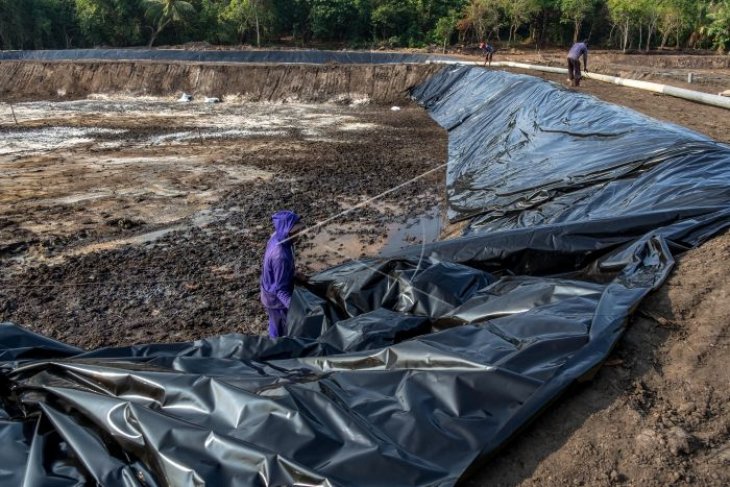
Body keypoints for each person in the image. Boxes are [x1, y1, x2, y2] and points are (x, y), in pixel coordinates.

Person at [260, 210, 304, 338]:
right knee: (281, 331)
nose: (298, 234)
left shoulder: (276, 237)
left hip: (268, 289)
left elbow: (276, 271)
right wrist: (296, 309)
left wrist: (294, 274)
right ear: (287, 231)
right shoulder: (280, 256)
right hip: (275, 300)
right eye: (295, 232)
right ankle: (277, 350)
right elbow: (280, 290)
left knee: (276, 325)